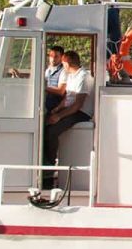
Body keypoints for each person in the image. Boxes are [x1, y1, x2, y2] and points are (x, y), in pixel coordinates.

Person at [39, 50, 93, 198]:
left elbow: (77, 105)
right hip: (72, 109)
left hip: (81, 113)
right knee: (45, 126)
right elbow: (68, 98)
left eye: (63, 63)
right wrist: (56, 110)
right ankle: (46, 166)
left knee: (52, 131)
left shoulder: (83, 77)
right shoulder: (72, 76)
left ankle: (49, 172)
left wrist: (58, 116)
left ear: (67, 63)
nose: (63, 66)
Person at [43, 45, 67, 113]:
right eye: (51, 56)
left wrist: (42, 88)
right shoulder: (48, 70)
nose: (53, 59)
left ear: (62, 57)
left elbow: (61, 91)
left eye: (56, 56)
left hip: (57, 107)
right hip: (48, 105)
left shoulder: (63, 71)